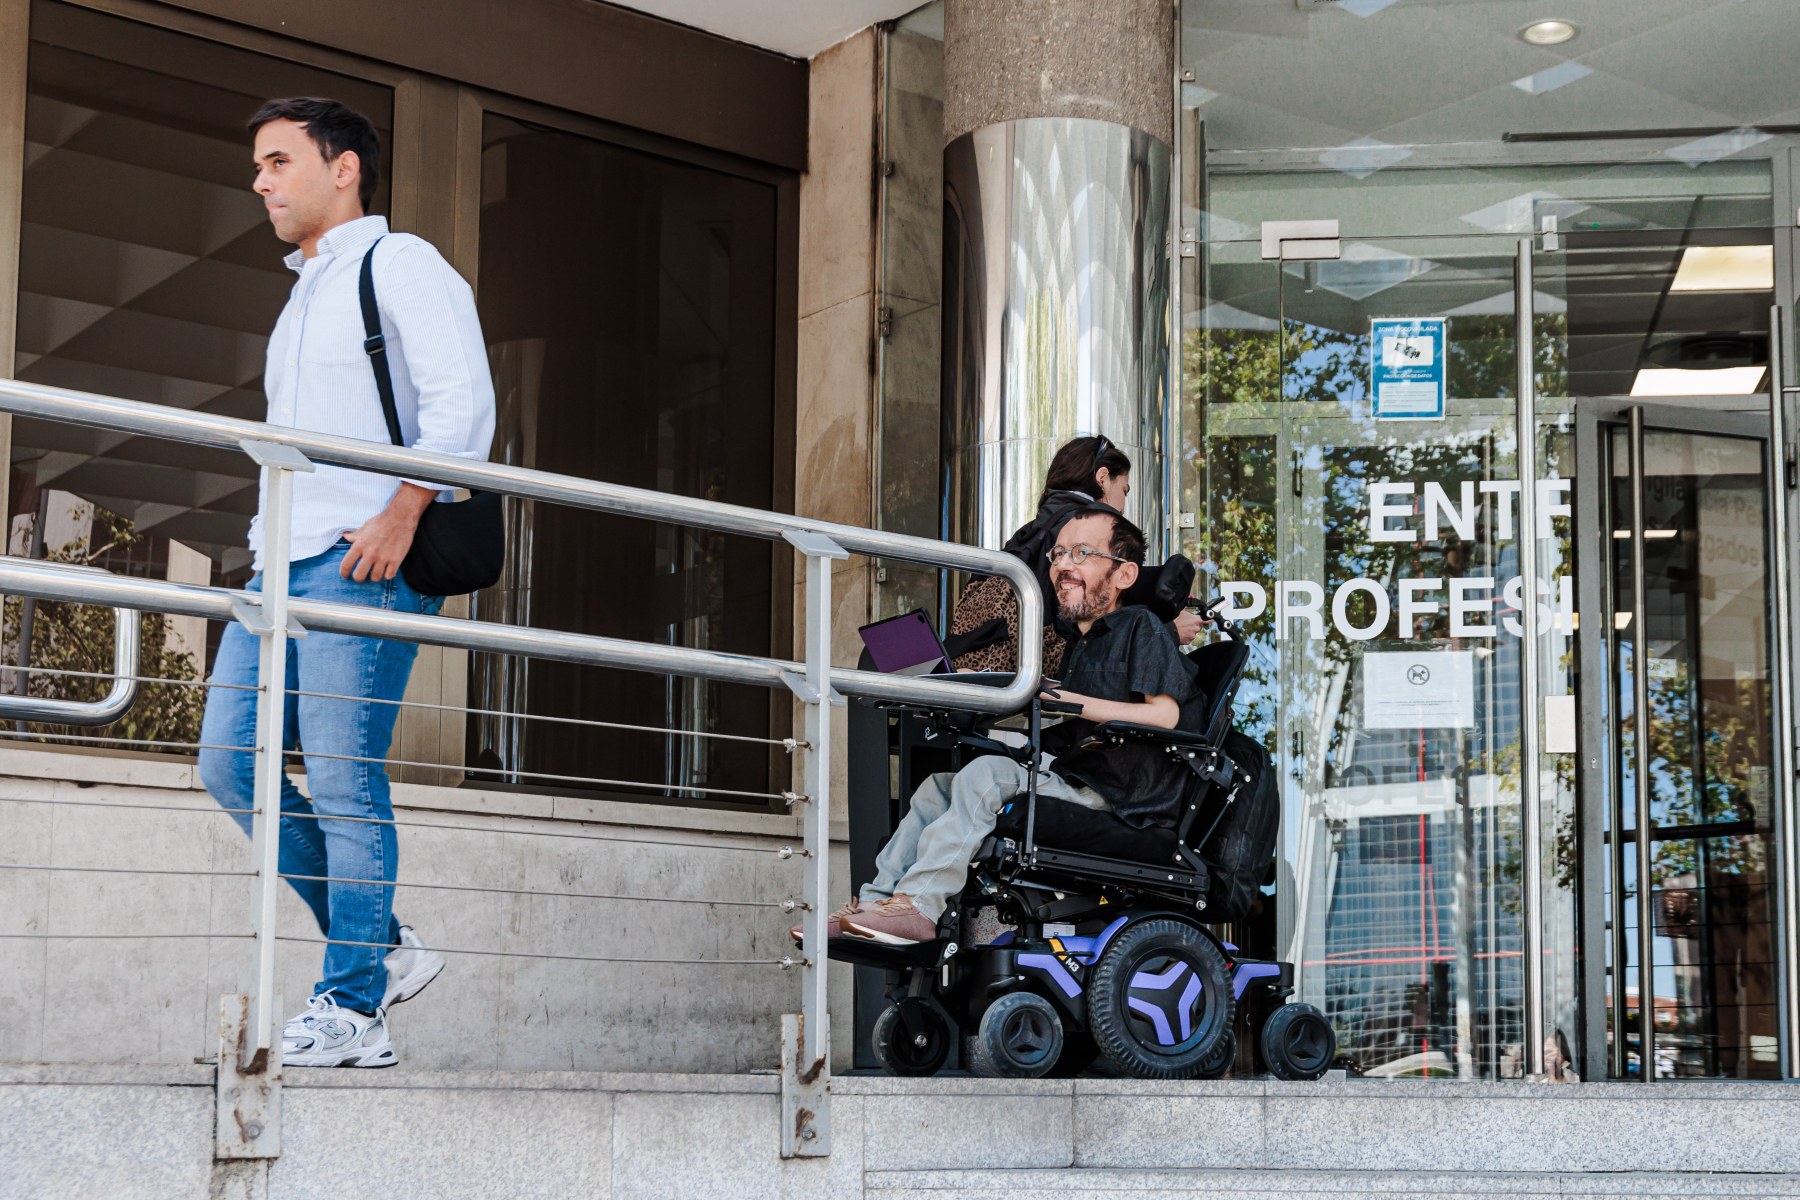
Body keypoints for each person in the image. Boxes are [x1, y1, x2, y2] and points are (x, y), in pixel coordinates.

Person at [197, 97, 496, 1068]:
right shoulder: (304, 292)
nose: (261, 180)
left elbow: (463, 405)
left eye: (279, 160)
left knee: (338, 779)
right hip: (277, 567)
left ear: (345, 169)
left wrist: (403, 510)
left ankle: (353, 1005)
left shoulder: (398, 264)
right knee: (229, 760)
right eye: (258, 163)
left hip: (360, 560)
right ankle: (385, 946)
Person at [831, 508, 1199, 945]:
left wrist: (1069, 701)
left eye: (1082, 553)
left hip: (1117, 800)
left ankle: (919, 907)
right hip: (1069, 779)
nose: (1063, 564)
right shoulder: (1076, 644)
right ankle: (874, 907)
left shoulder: (1143, 627)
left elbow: (1165, 716)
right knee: (936, 789)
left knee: (986, 775)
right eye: (1059, 553)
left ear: (1124, 574)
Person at [948, 434, 1205, 675]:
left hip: (987, 665)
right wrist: (1169, 629)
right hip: (1050, 673)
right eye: (1124, 490)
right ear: (1102, 477)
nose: (1124, 506)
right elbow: (1104, 624)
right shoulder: (1087, 527)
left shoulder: (1035, 529)